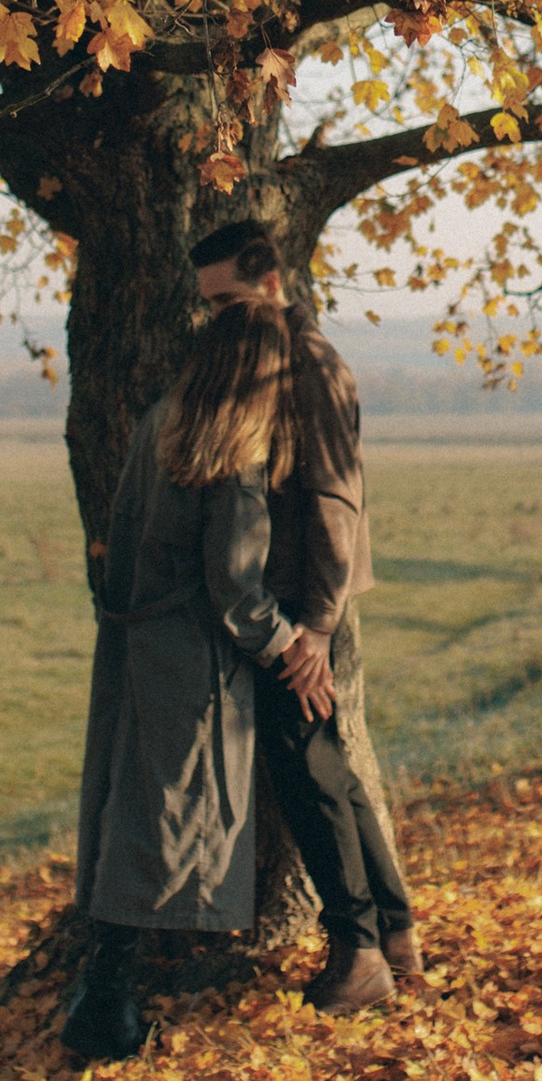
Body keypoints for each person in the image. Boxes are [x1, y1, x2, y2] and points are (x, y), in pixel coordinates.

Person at [62, 300, 331, 1061]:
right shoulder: (234, 452)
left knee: (134, 811)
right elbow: (237, 590)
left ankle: (102, 994)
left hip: (137, 647)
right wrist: (294, 651)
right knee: (168, 819)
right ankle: (105, 1002)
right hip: (192, 662)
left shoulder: (163, 423)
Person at [188, 219, 422, 1008]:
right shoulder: (277, 357)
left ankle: (359, 956)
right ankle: (395, 932)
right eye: (209, 308)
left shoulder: (307, 365)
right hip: (301, 597)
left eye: (230, 301)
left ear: (275, 285)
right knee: (332, 768)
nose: (220, 319)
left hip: (301, 603)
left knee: (309, 775)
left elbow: (332, 500)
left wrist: (314, 630)